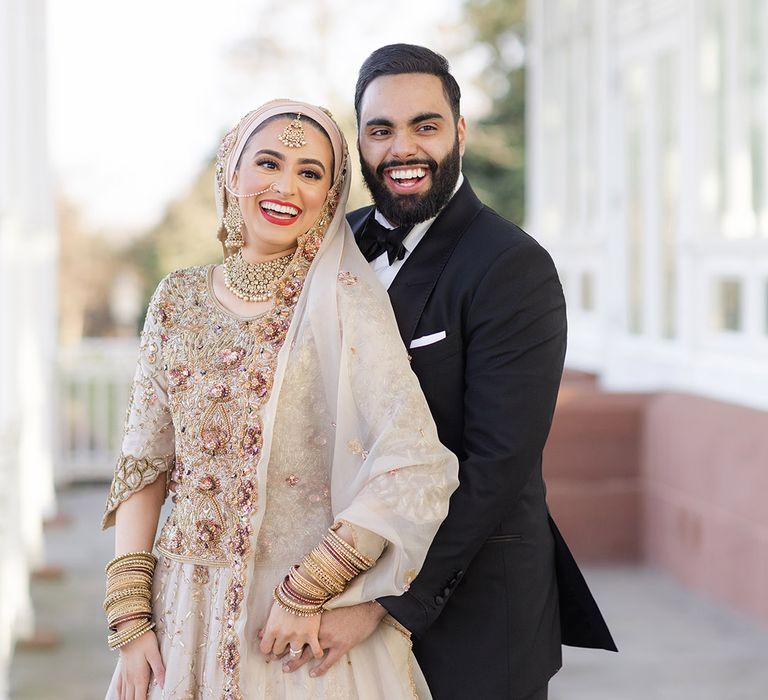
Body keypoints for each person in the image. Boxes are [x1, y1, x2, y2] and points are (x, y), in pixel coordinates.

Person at [284, 44, 617, 700]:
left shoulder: (512, 267)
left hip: (472, 615)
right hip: (333, 587)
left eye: (425, 126)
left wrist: (381, 604)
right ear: (360, 142)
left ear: (460, 132)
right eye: (381, 130)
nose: (403, 147)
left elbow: (496, 467)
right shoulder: (328, 248)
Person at [101, 99, 459, 700]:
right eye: (268, 163)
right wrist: (129, 620)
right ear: (231, 173)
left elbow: (414, 464)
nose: (286, 186)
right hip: (179, 614)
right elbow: (144, 463)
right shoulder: (176, 298)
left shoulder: (346, 302)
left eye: (310, 172)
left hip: (296, 626)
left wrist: (310, 587)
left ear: (331, 193)